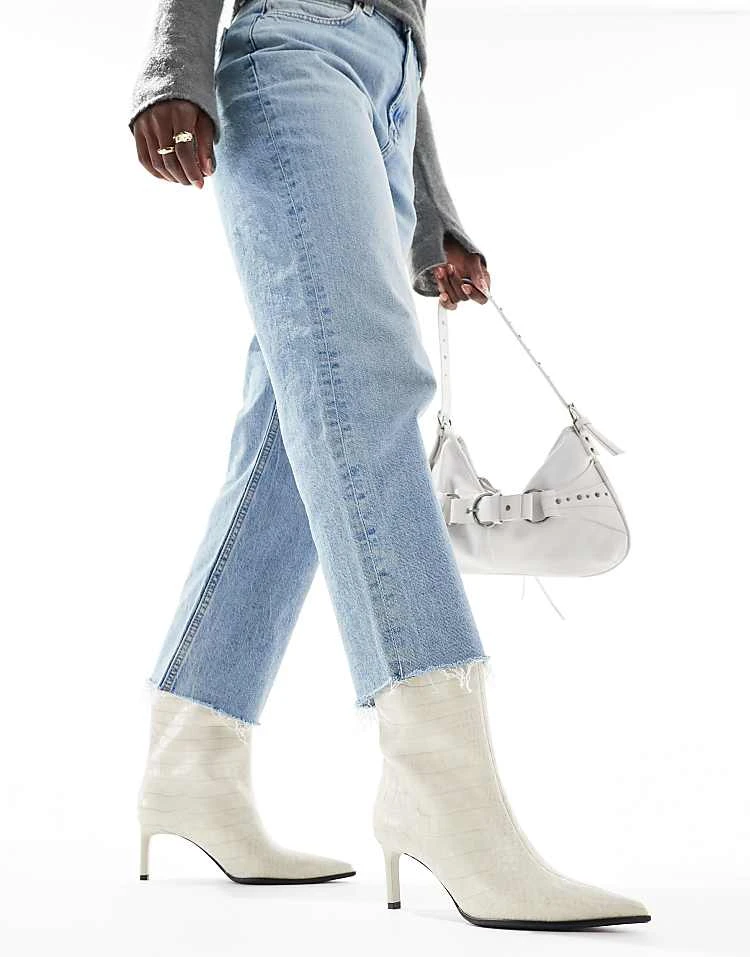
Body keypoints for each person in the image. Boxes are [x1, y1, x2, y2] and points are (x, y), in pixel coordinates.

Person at [128, 0, 650, 930]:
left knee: (292, 439)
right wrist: (175, 65)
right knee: (362, 388)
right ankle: (441, 791)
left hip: (392, 93)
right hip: (291, 50)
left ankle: (191, 762)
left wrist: (434, 214)